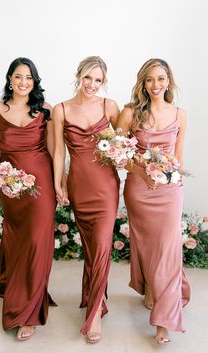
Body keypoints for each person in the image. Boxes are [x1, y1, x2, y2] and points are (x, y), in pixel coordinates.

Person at [0, 57, 58, 340]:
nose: (23, 82)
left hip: (42, 187)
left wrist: (59, 185)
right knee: (16, 239)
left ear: (34, 81)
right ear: (10, 79)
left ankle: (28, 312)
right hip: (11, 187)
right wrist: (1, 176)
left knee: (37, 243)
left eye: (29, 77)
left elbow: (54, 151)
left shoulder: (46, 111)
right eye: (18, 76)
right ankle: (15, 288)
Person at [116, 58, 191, 344]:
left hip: (170, 191)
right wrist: (143, 171)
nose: (155, 85)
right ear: (142, 83)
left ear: (169, 81)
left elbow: (179, 156)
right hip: (139, 189)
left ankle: (164, 320)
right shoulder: (130, 113)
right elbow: (119, 155)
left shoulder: (180, 114)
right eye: (149, 80)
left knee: (169, 251)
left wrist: (175, 184)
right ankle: (149, 286)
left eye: (160, 79)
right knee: (147, 246)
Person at [53, 56, 120, 343]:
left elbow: (125, 143)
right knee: (91, 249)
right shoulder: (61, 109)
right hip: (80, 186)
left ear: (103, 82)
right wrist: (60, 183)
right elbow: (59, 152)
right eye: (88, 78)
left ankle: (93, 316)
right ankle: (95, 298)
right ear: (78, 76)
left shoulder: (110, 107)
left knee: (103, 245)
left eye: (98, 80)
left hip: (106, 186)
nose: (92, 84)